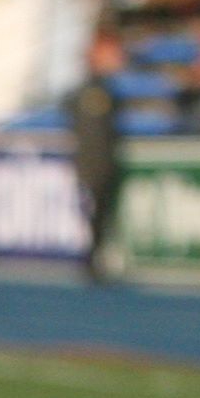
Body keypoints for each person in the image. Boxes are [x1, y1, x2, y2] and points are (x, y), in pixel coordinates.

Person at [67, 28, 126, 285]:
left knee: (103, 214)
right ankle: (91, 258)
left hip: (105, 161)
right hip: (92, 162)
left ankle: (98, 258)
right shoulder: (87, 91)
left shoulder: (110, 91)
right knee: (92, 213)